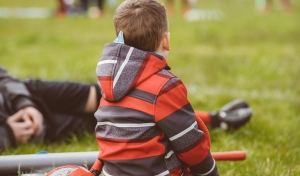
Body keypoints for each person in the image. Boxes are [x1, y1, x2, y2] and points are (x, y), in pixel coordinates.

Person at [92, 0, 244, 176]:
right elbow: (190, 144)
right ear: (166, 41)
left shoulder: (109, 83)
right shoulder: (164, 86)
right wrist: (209, 172)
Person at [0, 65, 251, 152]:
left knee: (107, 98)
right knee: (116, 119)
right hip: (30, 128)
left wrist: (26, 103)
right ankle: (217, 120)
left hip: (29, 94)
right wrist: (7, 135)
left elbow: (3, 76)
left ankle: (214, 117)